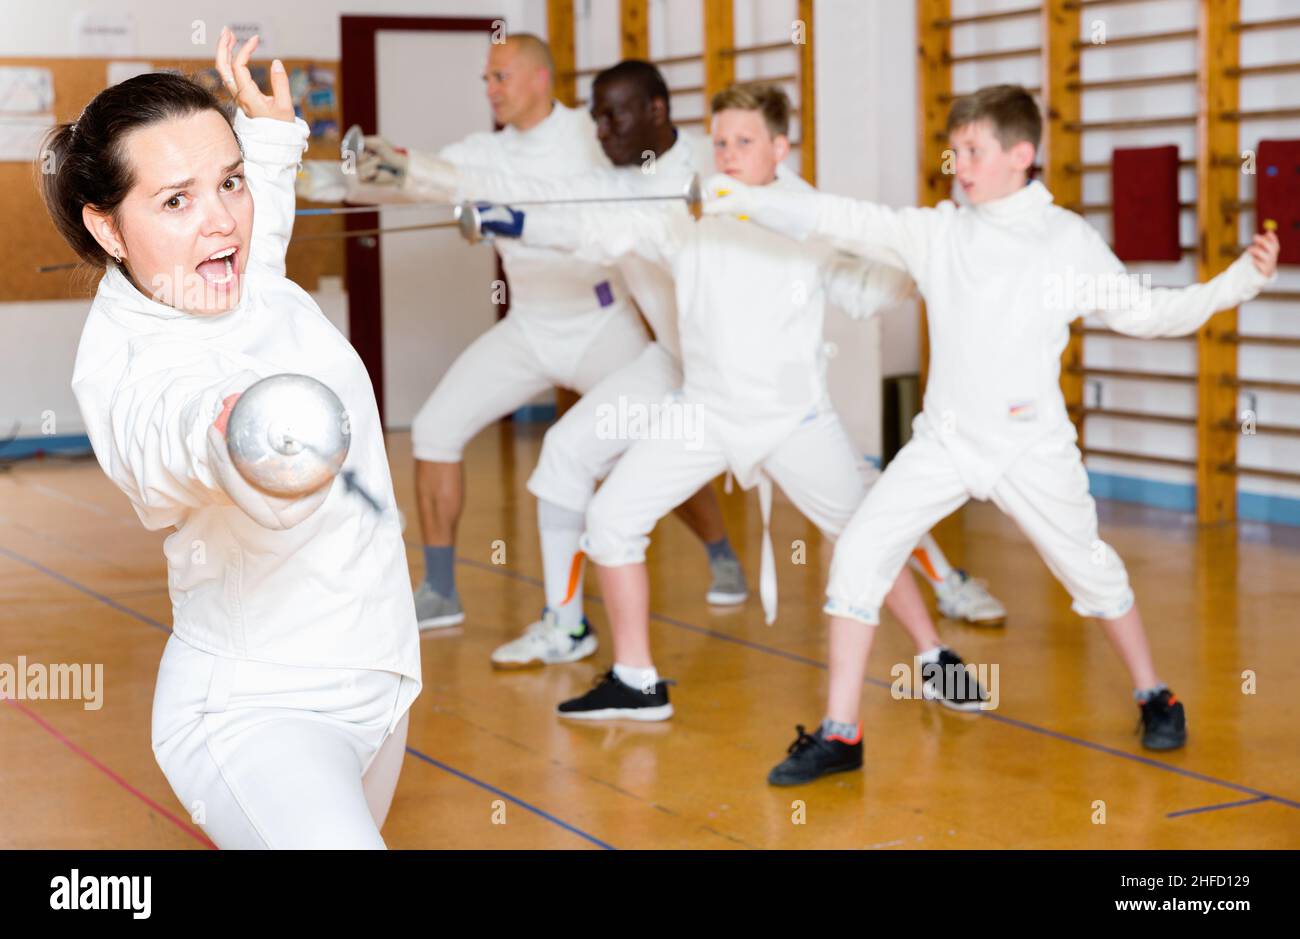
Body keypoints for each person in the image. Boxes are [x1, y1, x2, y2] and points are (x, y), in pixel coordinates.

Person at [704, 83, 1281, 784]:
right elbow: (839, 217)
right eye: (954, 153)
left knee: (1090, 571)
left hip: (1029, 445)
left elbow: (1151, 314)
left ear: (1021, 155)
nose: (961, 166)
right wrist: (742, 198)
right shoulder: (940, 231)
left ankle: (1155, 692)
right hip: (944, 441)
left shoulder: (1064, 240)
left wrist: (1238, 285)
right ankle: (842, 732)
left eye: (973, 151)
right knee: (857, 554)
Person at [439, 60, 1004, 667]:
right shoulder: (693, 209)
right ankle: (633, 679)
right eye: (723, 141)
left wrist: (924, 270)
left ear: (779, 148)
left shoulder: (806, 216)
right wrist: (516, 220)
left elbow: (864, 290)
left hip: (791, 419)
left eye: (745, 142)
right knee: (610, 517)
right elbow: (603, 230)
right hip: (702, 409)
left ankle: (933, 653)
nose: (729, 155)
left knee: (862, 535)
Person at [49, 29, 421, 846]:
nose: (221, 220)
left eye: (231, 183)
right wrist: (230, 432)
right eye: (175, 200)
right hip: (261, 711)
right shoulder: (128, 366)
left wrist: (273, 141)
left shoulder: (237, 268)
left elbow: (260, 230)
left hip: (382, 678)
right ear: (108, 229)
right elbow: (168, 435)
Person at [356, 34, 652, 630]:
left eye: (500, 77)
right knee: (436, 428)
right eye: (485, 80)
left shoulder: (588, 138)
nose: (490, 89)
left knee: (654, 438)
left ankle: (721, 554)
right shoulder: (479, 151)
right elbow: (425, 179)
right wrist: (364, 168)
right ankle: (441, 590)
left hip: (602, 321)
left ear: (540, 78)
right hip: (531, 326)